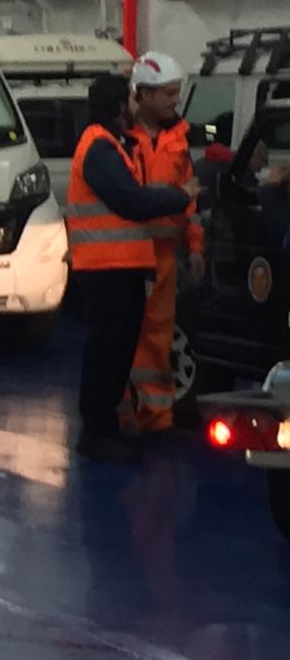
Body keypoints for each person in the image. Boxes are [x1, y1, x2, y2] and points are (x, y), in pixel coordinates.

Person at [69, 72, 197, 464]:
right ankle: (96, 431)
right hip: (105, 268)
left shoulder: (111, 145)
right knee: (106, 350)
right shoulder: (99, 148)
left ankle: (107, 426)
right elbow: (130, 201)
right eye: (128, 100)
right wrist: (179, 198)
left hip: (120, 267)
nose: (133, 107)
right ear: (116, 108)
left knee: (117, 348)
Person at [125, 52, 202, 438]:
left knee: (159, 337)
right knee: (125, 336)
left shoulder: (178, 141)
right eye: (169, 93)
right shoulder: (122, 140)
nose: (176, 100)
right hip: (128, 255)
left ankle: (157, 418)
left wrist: (196, 246)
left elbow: (190, 200)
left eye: (176, 92)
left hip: (165, 256)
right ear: (144, 94)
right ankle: (125, 415)